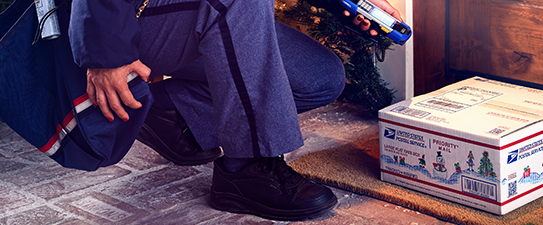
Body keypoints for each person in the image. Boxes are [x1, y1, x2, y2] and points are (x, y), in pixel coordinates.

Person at [68, 0, 404, 220]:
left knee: (318, 78)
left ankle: (175, 112)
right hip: (134, 18)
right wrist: (104, 52)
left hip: (200, 11)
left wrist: (351, 4)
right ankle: (248, 168)